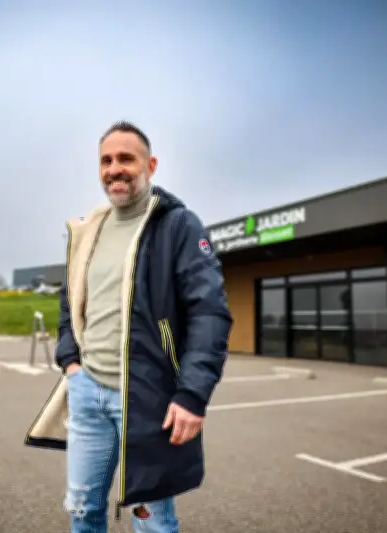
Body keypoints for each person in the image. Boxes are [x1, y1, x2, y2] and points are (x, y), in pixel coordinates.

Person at [25, 121, 233, 533]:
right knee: (82, 510)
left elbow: (209, 312)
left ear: (150, 165)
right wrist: (70, 361)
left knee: (152, 522)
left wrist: (192, 394)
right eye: (106, 160)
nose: (114, 169)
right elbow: (70, 301)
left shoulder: (177, 226)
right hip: (87, 392)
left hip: (148, 398)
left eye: (126, 159)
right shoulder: (89, 230)